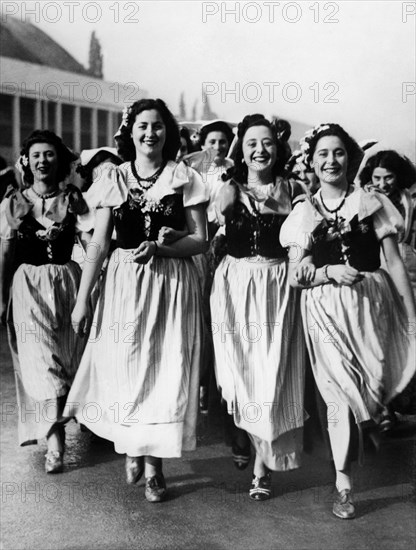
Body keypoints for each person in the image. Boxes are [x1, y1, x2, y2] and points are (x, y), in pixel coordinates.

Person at [66, 98, 208, 503]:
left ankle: (154, 467)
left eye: (159, 126)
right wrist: (81, 300)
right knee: (127, 366)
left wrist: (164, 248)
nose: (151, 133)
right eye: (143, 126)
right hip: (125, 284)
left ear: (169, 132)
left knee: (163, 369)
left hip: (170, 285)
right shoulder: (115, 177)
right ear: (130, 132)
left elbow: (200, 240)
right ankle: (132, 442)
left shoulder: (185, 177)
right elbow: (98, 243)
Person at [280, 123, 416, 519]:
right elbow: (295, 275)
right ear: (312, 161)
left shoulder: (370, 202)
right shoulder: (304, 212)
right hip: (324, 312)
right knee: (337, 396)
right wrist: (328, 272)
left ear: (350, 157)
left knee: (371, 383)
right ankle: (343, 484)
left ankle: (369, 416)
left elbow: (392, 262)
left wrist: (410, 316)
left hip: (370, 308)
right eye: (323, 153)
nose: (331, 161)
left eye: (338, 152)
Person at [210, 114, 306, 500]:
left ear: (278, 148)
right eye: (251, 143)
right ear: (242, 149)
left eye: (266, 143)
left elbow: (304, 237)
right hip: (234, 285)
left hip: (277, 286)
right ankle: (247, 438)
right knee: (239, 374)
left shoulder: (294, 189)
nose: (259, 150)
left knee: (272, 376)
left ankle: (261, 467)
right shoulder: (228, 189)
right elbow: (210, 238)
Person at [0, 130, 87, 473]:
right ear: (26, 161)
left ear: (59, 160)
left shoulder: (73, 200)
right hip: (28, 287)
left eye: (49, 154)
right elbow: (6, 251)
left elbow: (91, 241)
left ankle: (64, 422)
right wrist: (1, 294)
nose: (42, 161)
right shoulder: (13, 202)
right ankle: (55, 442)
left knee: (67, 359)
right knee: (41, 361)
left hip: (67, 283)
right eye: (36, 155)